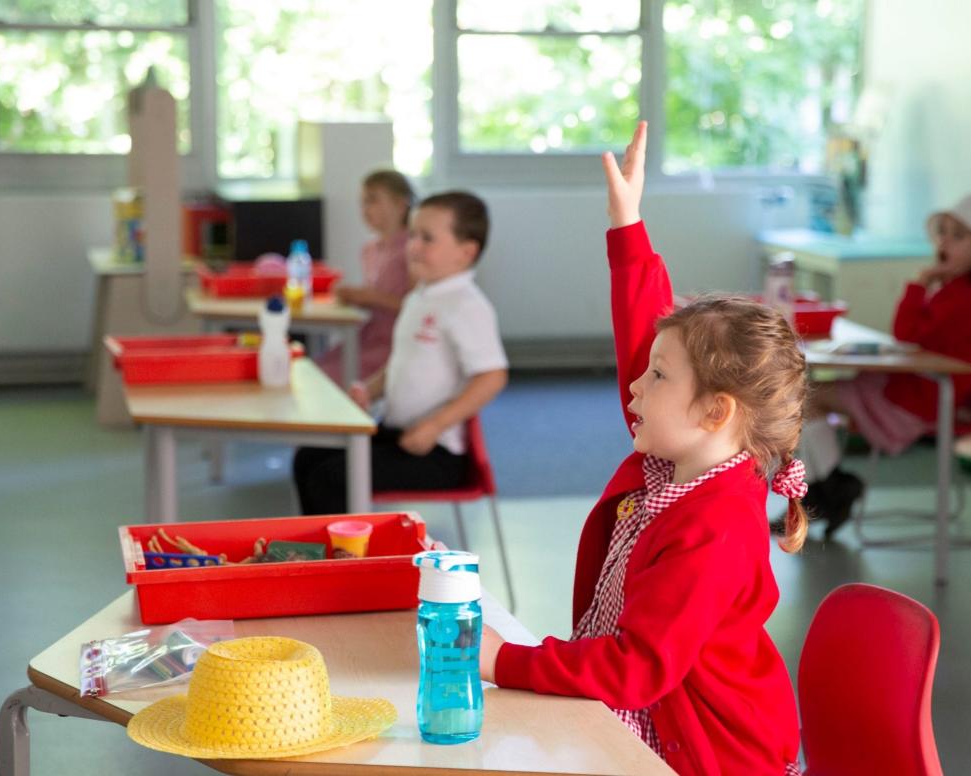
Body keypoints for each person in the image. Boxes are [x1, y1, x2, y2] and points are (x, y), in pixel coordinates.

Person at [479, 123, 805, 776]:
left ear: (715, 411)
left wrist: (500, 660)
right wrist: (627, 224)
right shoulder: (682, 458)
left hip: (702, 753)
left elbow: (635, 669)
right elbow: (646, 334)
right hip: (650, 716)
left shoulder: (714, 526)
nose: (634, 382)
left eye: (657, 377)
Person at [796, 193, 971, 538]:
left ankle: (829, 491)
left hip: (921, 400)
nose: (944, 242)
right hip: (913, 389)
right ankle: (825, 491)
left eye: (958, 236)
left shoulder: (964, 296)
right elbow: (916, 340)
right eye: (943, 232)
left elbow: (905, 333)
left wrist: (920, 281)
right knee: (806, 394)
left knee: (806, 398)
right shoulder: (958, 289)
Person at [293, 191, 508, 514]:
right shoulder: (420, 297)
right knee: (309, 456)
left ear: (465, 252)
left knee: (331, 477)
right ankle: (316, 555)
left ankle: (343, 560)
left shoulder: (465, 305)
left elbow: (492, 376)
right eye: (413, 236)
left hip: (437, 453)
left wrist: (435, 426)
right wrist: (369, 389)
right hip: (399, 432)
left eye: (428, 239)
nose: (414, 246)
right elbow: (401, 364)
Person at [317, 169, 416, 385]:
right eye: (362, 202)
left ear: (401, 204)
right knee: (314, 368)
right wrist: (352, 296)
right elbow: (371, 298)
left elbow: (419, 307)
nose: (365, 209)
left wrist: (369, 297)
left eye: (373, 201)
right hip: (367, 337)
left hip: (398, 344)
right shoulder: (370, 250)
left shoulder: (414, 250)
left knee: (325, 379)